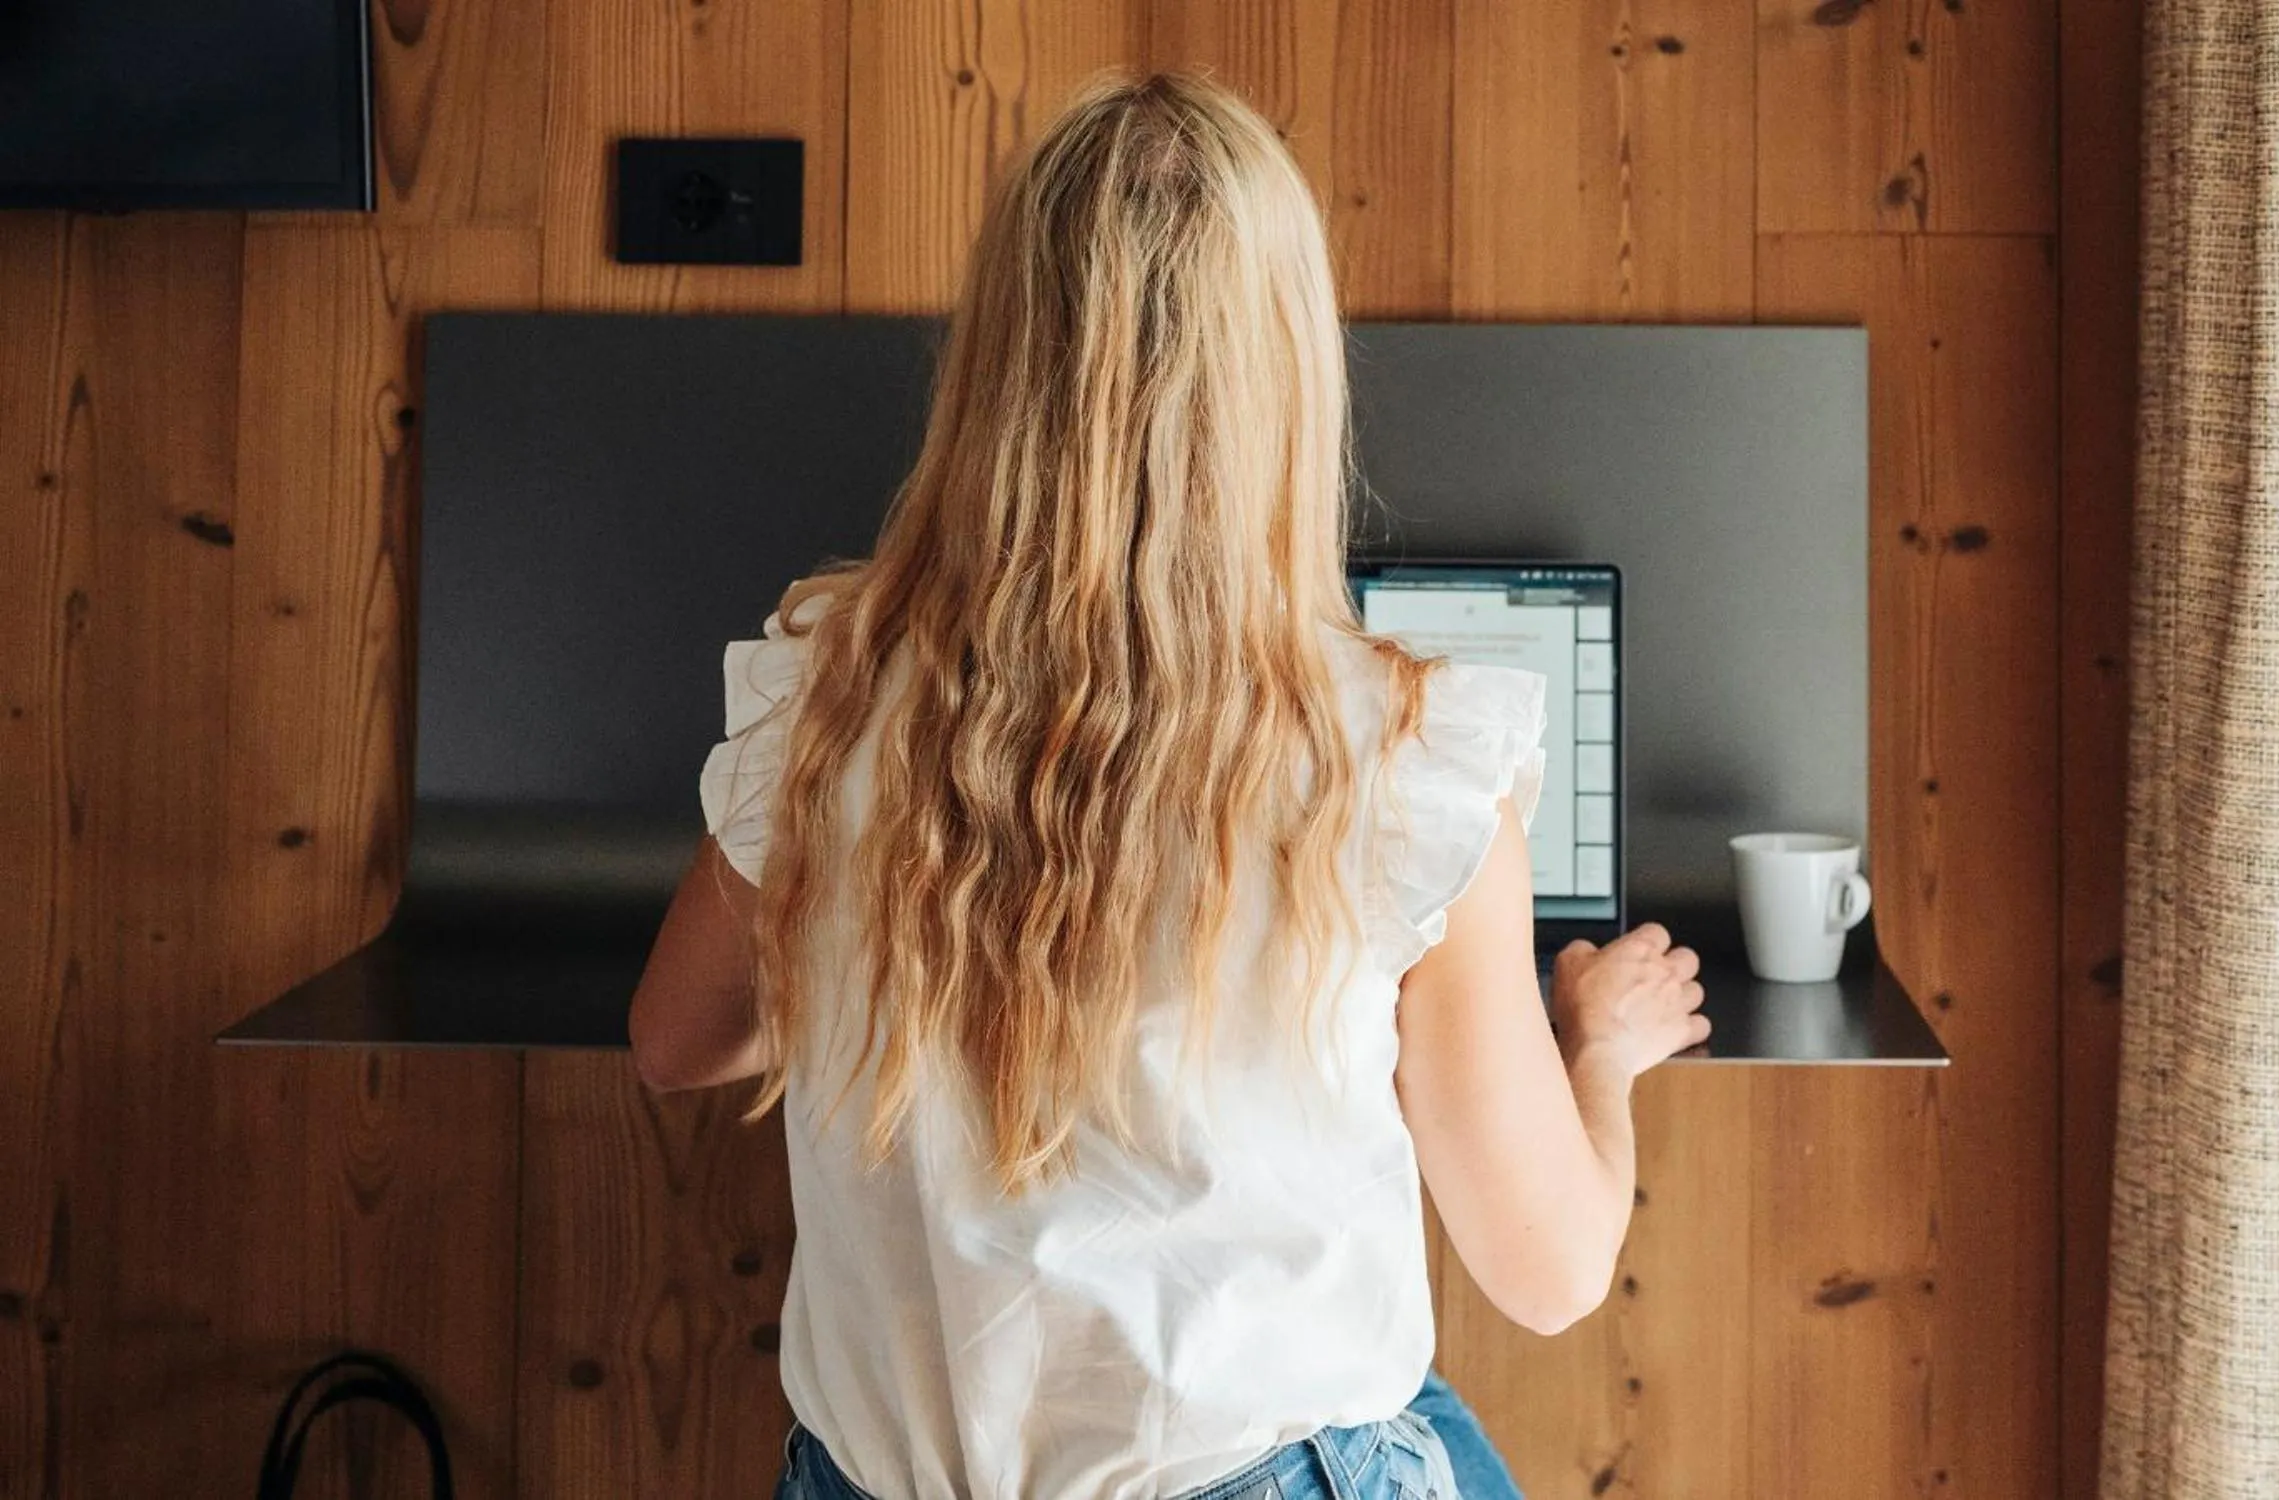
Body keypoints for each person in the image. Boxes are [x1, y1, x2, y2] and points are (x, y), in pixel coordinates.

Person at [628, 71, 1708, 1500]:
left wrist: (898, 958)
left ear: (998, 363)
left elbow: (677, 1040)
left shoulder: (829, 701)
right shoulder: (1399, 767)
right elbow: (1553, 1272)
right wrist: (1601, 1056)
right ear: (1287, 375)